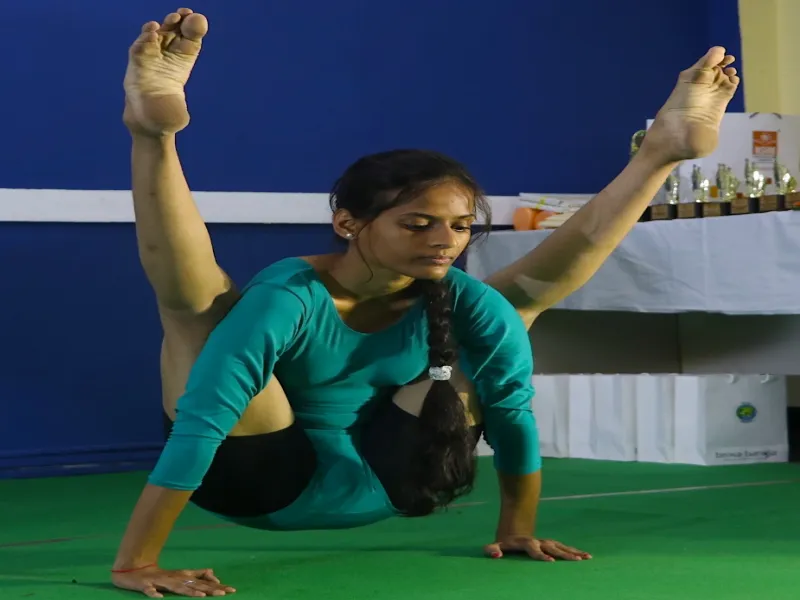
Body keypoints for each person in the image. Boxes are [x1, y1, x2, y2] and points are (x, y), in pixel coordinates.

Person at [112, 8, 739, 598]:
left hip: (394, 483)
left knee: (507, 312)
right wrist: (137, 562)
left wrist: (516, 529)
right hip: (257, 484)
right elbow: (203, 420)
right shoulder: (289, 296)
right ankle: (154, 134)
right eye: (417, 224)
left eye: (461, 226)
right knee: (199, 313)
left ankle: (661, 151)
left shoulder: (464, 300)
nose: (445, 241)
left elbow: (512, 412)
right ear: (347, 223)